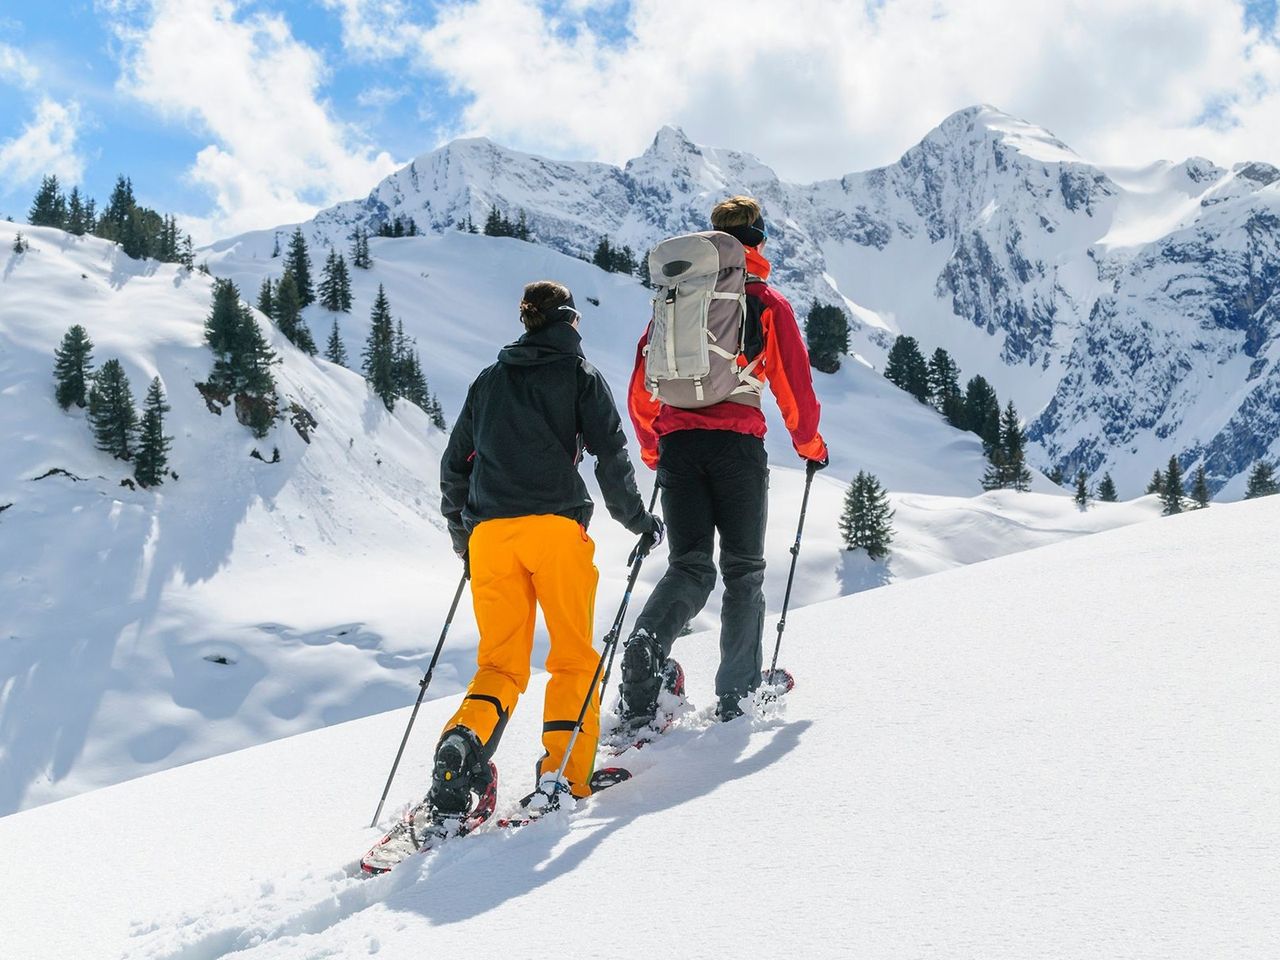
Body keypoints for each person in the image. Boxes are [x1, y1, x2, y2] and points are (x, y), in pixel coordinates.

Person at [430, 280, 664, 824]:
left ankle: (462, 745)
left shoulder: (488, 381)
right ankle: (563, 775)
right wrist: (638, 521)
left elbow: (453, 467)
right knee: (574, 659)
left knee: (500, 667)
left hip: (490, 536)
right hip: (555, 530)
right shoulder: (579, 375)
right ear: (570, 321)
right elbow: (611, 455)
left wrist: (466, 541)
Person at [622, 195, 828, 726]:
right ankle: (738, 693)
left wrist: (653, 448)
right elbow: (794, 388)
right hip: (737, 447)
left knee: (689, 566)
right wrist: (810, 446)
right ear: (758, 239)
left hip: (677, 445)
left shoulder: (678, 301)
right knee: (743, 572)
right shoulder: (763, 301)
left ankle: (647, 647)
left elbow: (643, 382)